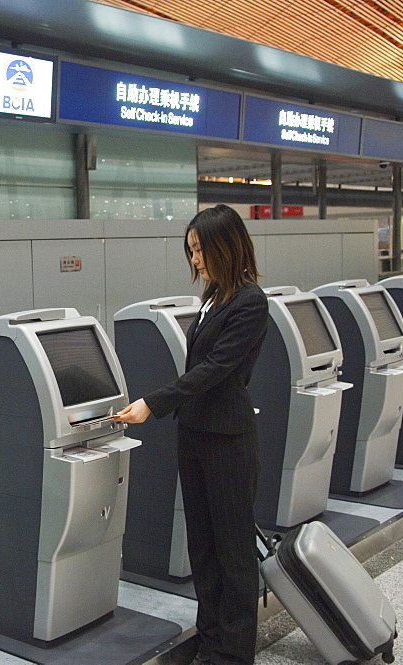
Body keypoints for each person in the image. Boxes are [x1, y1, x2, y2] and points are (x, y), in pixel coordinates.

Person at [114, 204, 268, 665]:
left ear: (225, 246)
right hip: (197, 434)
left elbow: (217, 369)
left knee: (233, 547)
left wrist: (154, 402)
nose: (195, 260)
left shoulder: (249, 301)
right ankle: (211, 635)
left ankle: (235, 651)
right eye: (191, 251)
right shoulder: (212, 297)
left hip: (228, 438)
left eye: (200, 250)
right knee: (202, 543)